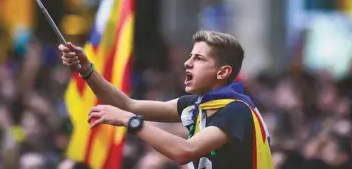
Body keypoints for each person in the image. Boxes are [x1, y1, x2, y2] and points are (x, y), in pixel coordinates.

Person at [59, 30, 273, 169]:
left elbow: (184, 151)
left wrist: (131, 122)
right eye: (190, 56)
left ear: (223, 72)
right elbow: (126, 104)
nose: (187, 63)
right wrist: (86, 70)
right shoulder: (195, 104)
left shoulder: (237, 110)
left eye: (198, 58)